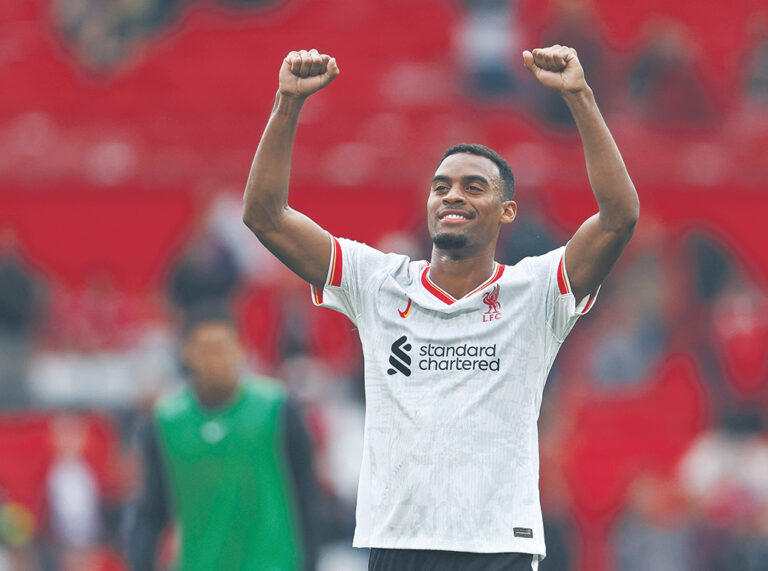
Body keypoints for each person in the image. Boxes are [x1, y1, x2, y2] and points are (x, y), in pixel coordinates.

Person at [242, 46, 639, 570]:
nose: (453, 196)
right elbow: (265, 216)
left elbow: (618, 218)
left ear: (507, 211)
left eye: (474, 187)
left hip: (498, 546)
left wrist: (579, 96)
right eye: (441, 187)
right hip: (399, 541)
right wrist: (287, 103)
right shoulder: (377, 282)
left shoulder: (536, 291)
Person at [125, 302, 318, 570]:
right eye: (205, 349)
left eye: (222, 347)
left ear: (239, 349)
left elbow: (306, 495)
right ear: (187, 353)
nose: (215, 359)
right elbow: (151, 510)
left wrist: (310, 561)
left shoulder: (277, 409)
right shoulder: (165, 424)